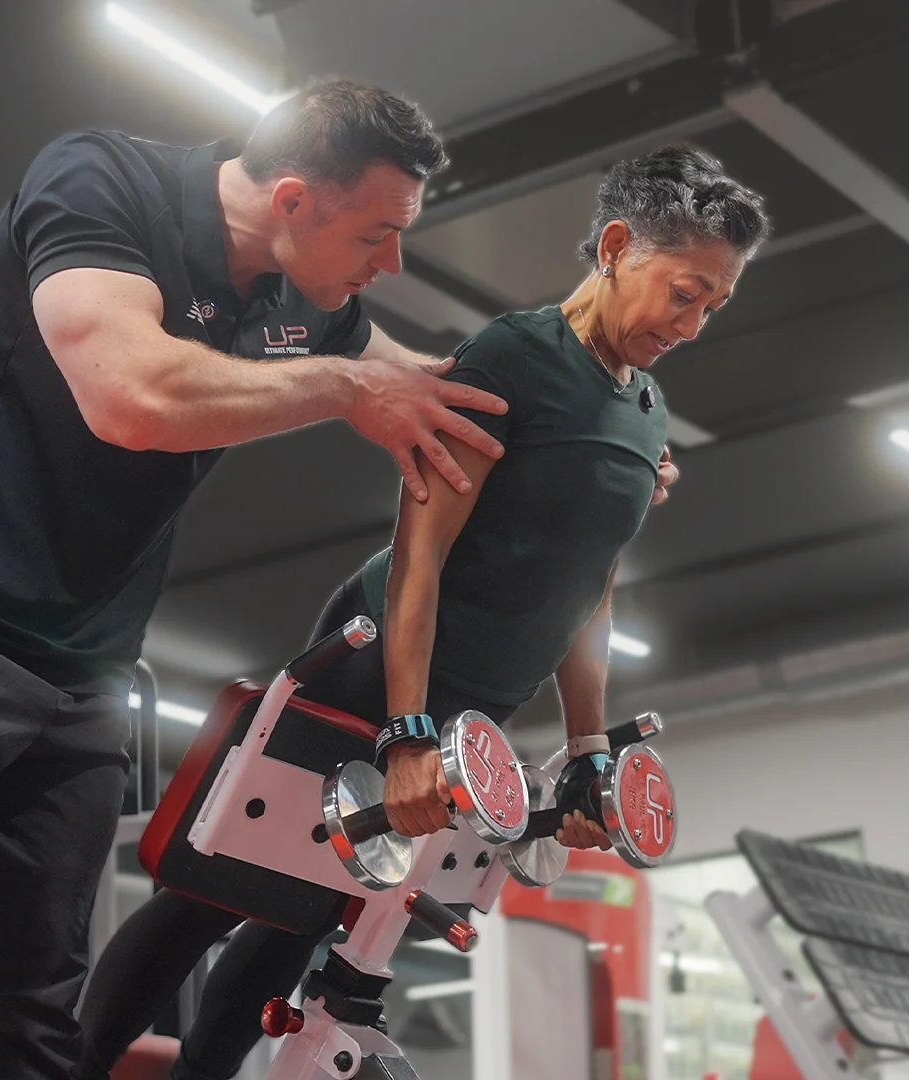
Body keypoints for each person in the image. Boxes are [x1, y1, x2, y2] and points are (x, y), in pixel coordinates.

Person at [0, 80, 534, 1080]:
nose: (394, 262)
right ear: (294, 198)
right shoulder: (102, 185)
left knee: (31, 1008)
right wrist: (342, 387)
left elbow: (437, 388)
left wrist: (588, 442)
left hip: (78, 680)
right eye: (379, 233)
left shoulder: (312, 297)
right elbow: (133, 396)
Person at [74, 143, 768, 1080]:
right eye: (684, 293)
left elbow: (588, 588)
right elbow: (418, 559)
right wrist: (403, 731)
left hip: (473, 705)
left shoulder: (646, 408)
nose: (692, 324)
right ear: (614, 246)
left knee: (310, 916)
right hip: (374, 667)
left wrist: (590, 745)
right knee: (224, 888)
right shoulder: (515, 358)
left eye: (713, 307)